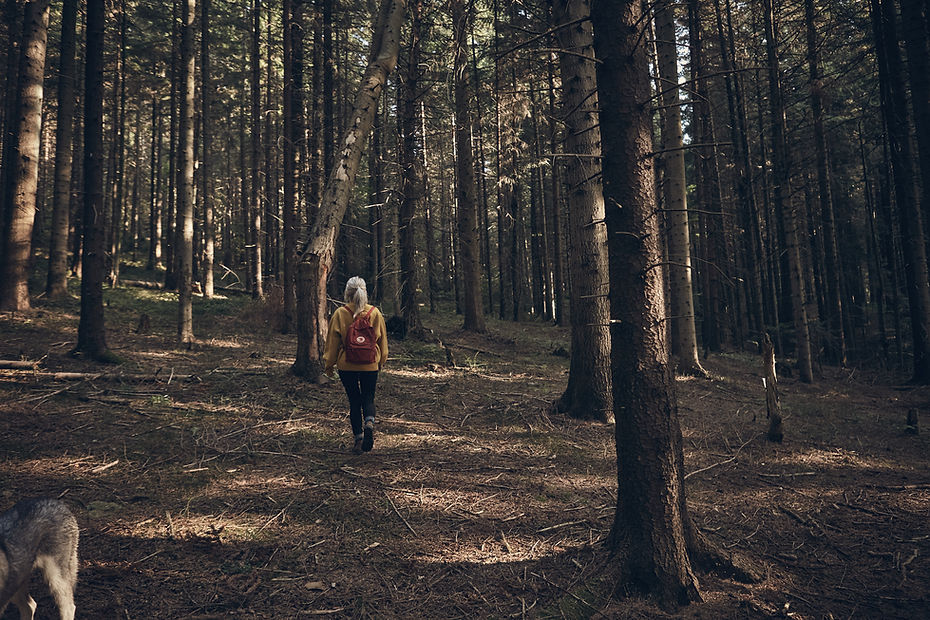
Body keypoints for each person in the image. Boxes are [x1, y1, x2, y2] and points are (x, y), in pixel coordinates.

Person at [324, 276, 388, 454]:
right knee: (368, 397)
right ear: (364, 292)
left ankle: (358, 440)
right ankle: (369, 422)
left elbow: (332, 343)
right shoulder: (375, 313)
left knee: (354, 401)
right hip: (370, 363)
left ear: (347, 293)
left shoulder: (340, 313)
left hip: (347, 365)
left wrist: (329, 365)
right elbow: (383, 343)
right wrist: (380, 361)